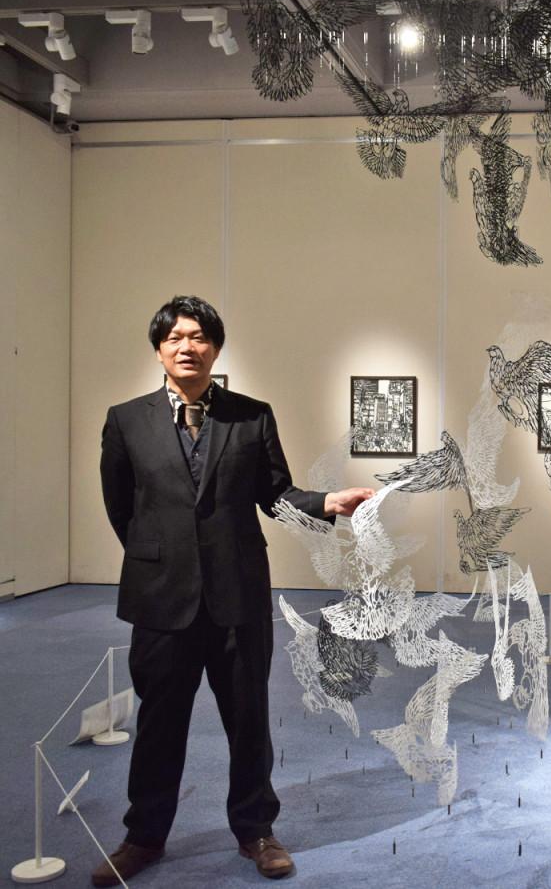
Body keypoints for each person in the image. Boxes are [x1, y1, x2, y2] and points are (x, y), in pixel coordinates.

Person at [94, 296, 374, 886]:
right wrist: (159, 555)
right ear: (159, 349)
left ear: (216, 348)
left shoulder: (251, 416)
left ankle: (257, 832)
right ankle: (143, 837)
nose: (187, 347)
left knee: (248, 721)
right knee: (158, 725)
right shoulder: (126, 420)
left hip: (237, 597)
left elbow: (276, 495)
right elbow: (122, 507)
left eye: (198, 337)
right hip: (161, 600)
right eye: (175, 338)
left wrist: (327, 502)